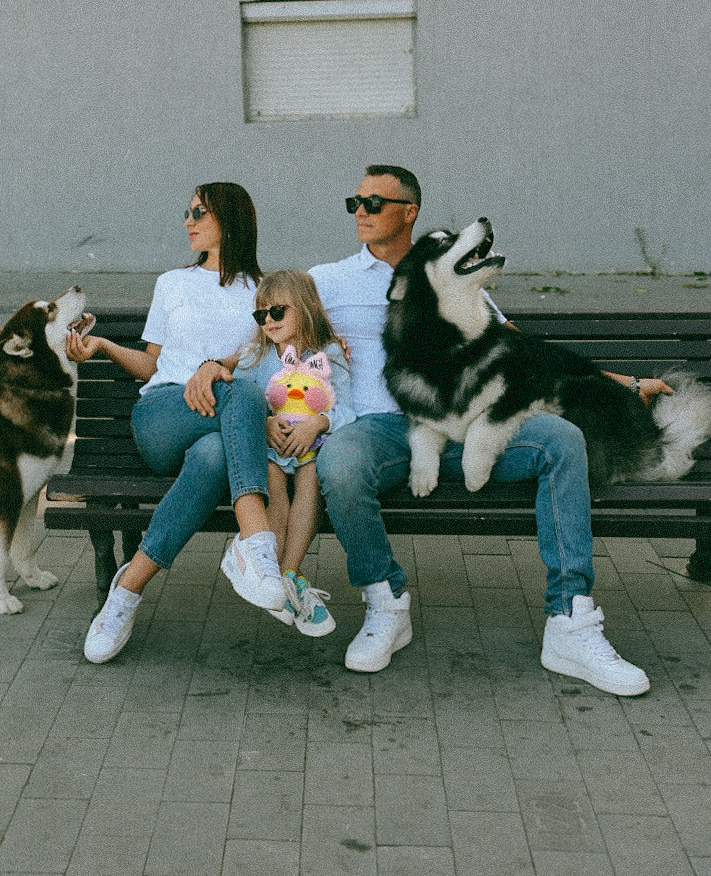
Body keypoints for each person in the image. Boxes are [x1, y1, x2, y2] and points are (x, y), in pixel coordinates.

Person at [311, 164, 670, 697]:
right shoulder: (328, 280)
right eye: (354, 203)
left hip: (475, 421)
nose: (360, 213)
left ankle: (570, 621)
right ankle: (386, 604)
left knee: (562, 440)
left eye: (374, 203)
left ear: (409, 212)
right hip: (382, 428)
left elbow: (522, 347)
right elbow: (265, 330)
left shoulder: (455, 273)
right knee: (338, 464)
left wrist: (622, 383)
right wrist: (212, 367)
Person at [69, 182, 287, 664]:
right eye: (186, 212)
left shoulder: (266, 292)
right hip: (163, 415)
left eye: (199, 213)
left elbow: (268, 363)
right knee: (238, 397)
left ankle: (125, 592)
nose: (187, 221)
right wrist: (103, 345)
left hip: (226, 422)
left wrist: (216, 370)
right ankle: (256, 542)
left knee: (212, 456)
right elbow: (154, 365)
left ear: (230, 222)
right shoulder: (172, 283)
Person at [237, 270, 355, 636]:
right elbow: (243, 405)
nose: (268, 321)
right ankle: (273, 576)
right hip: (272, 446)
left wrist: (318, 423)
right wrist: (266, 424)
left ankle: (289, 572)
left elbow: (347, 410)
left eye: (277, 312)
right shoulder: (255, 355)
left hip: (310, 446)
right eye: (261, 315)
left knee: (310, 482)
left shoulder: (330, 354)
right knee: (273, 486)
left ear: (305, 309)